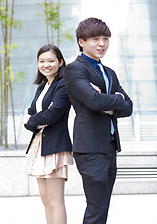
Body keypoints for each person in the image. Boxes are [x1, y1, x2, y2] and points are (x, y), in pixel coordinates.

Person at [65, 17, 133, 224]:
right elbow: (94, 102)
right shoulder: (75, 69)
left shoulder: (110, 72)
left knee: (102, 205)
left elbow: (128, 107)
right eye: (95, 39)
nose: (102, 44)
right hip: (90, 148)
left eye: (105, 38)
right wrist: (115, 99)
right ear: (81, 41)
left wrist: (111, 104)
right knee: (96, 207)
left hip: (109, 147)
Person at [24, 44, 73, 224]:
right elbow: (32, 112)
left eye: (51, 61)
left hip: (55, 145)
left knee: (55, 201)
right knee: (46, 200)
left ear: (60, 62)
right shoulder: (43, 85)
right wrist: (36, 120)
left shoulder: (63, 85)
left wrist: (32, 121)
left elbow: (52, 115)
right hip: (40, 145)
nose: (46, 65)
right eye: (42, 61)